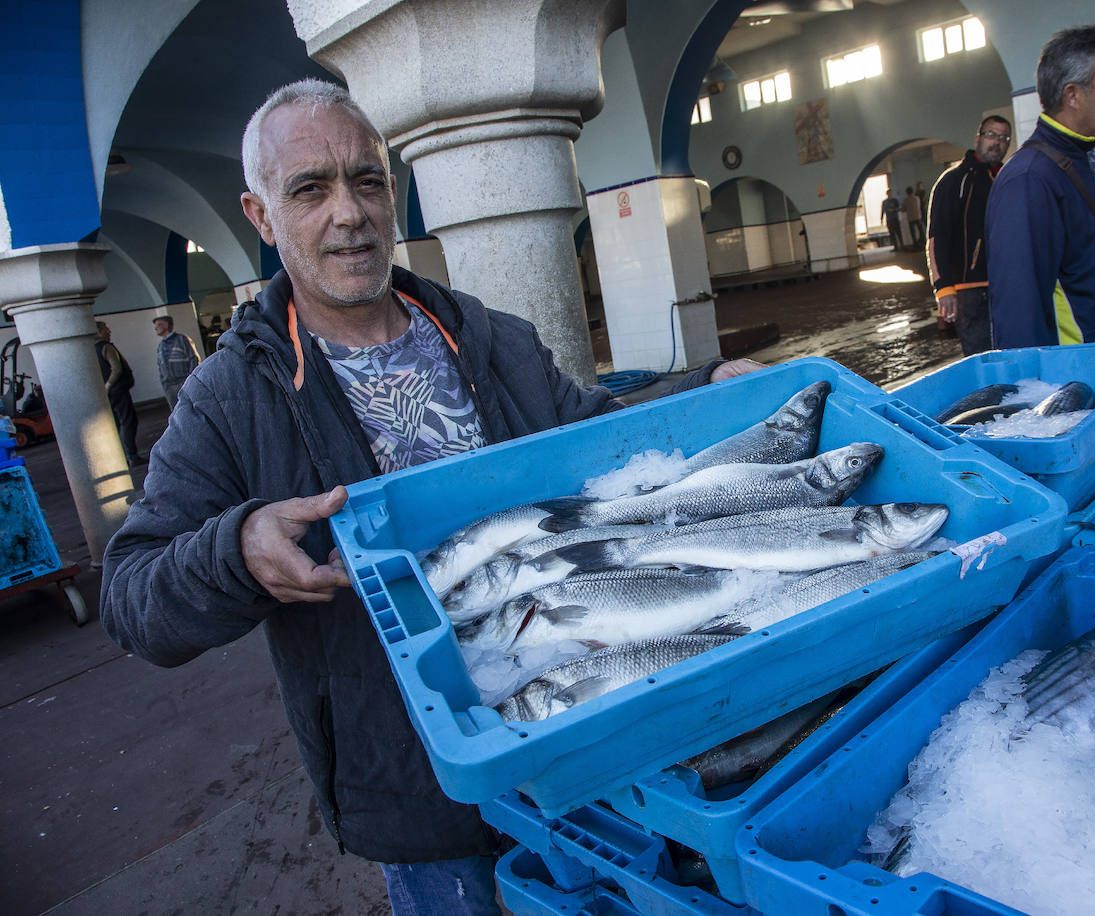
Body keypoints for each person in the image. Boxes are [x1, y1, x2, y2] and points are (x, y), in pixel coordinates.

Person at [98, 78, 762, 916]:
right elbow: (130, 596)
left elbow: (601, 445)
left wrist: (708, 391)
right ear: (261, 217)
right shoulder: (231, 398)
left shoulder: (493, 338)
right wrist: (233, 552)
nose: (350, 212)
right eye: (310, 188)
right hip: (422, 793)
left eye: (367, 180)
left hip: (576, 734)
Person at [986, 25, 1095, 349]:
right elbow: (1018, 325)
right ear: (1072, 96)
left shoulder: (1074, 160)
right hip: (1076, 389)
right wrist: (1051, 399)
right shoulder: (1029, 180)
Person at [926, 115, 1012, 355]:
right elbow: (936, 239)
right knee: (983, 363)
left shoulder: (1009, 180)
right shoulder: (953, 181)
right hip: (970, 294)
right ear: (978, 138)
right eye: (991, 135)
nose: (997, 142)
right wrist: (943, 288)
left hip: (1008, 287)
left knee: (1013, 357)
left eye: (1004, 138)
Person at [94, 321, 141, 464]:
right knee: (128, 421)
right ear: (99, 332)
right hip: (117, 390)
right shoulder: (106, 347)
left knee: (114, 424)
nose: (109, 331)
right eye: (106, 329)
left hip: (106, 394)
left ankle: (119, 457)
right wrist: (109, 385)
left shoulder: (90, 350)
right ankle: (132, 455)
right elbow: (117, 368)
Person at [152, 314, 201, 407]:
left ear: (166, 325)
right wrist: (164, 383)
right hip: (169, 386)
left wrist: (191, 379)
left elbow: (193, 359)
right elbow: (160, 366)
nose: (155, 328)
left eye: (158, 325)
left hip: (183, 382)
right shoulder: (160, 345)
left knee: (191, 408)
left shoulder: (182, 339)